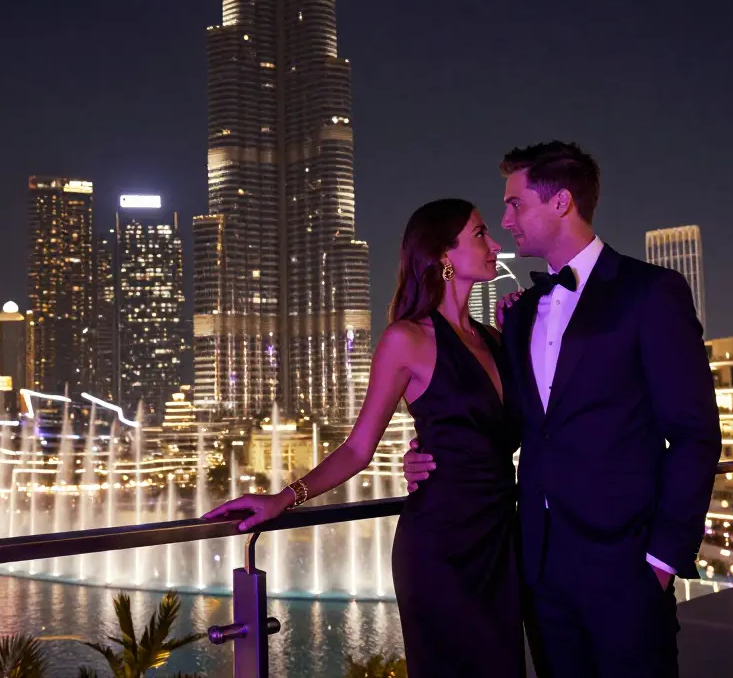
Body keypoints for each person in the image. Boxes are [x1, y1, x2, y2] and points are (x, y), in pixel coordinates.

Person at [404, 142, 721, 677]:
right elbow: (503, 420)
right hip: (538, 572)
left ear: (561, 203)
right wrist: (430, 450)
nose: (505, 222)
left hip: (627, 568)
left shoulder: (651, 292)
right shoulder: (521, 315)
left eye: (514, 204)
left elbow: (694, 434)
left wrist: (663, 559)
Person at [204, 198, 524, 677]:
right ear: (443, 254)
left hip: (500, 540)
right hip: (441, 547)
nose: (495, 242)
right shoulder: (406, 339)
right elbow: (358, 448)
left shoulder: (497, 340)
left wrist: (526, 327)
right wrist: (282, 500)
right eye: (480, 234)